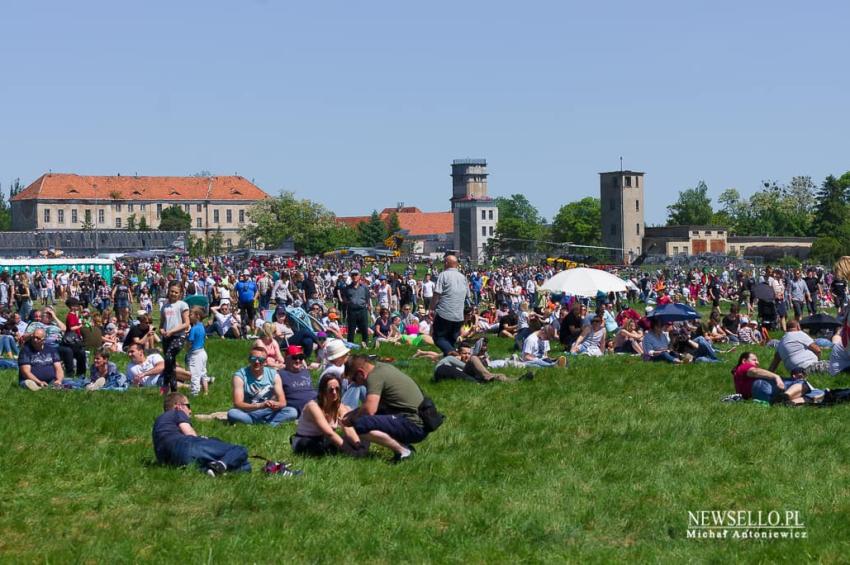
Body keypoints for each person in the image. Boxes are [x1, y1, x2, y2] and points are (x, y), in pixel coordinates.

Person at [341, 355, 429, 462]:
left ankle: (404, 451)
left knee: (360, 424)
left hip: (414, 425)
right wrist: (354, 413)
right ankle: (403, 448)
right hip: (420, 421)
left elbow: (369, 410)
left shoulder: (374, 377)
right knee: (371, 417)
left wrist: (351, 419)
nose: (355, 383)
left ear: (361, 373)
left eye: (354, 379)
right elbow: (378, 407)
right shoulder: (382, 368)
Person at [153, 392, 251, 476]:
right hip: (185, 446)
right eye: (188, 406)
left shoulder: (159, 422)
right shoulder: (177, 412)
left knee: (245, 466)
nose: (190, 411)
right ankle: (221, 465)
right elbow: (190, 434)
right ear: (178, 406)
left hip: (169, 460)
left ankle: (211, 470)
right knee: (239, 450)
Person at [290, 374, 367, 457]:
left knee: (361, 439)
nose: (334, 392)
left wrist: (357, 445)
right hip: (306, 440)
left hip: (323, 440)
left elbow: (348, 428)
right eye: (331, 390)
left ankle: (358, 451)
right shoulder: (313, 407)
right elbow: (329, 433)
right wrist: (350, 451)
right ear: (323, 391)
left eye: (337, 389)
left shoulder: (339, 406)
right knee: (318, 448)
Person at [227, 346, 297, 426]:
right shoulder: (240, 376)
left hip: (268, 411)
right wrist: (260, 405)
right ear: (249, 360)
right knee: (232, 413)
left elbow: (283, 402)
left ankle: (254, 423)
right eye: (253, 359)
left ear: (265, 361)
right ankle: (269, 423)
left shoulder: (274, 374)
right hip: (248, 411)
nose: (257, 362)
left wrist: (275, 404)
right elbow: (238, 403)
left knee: (292, 412)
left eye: (260, 360)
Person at [732, 351, 811, 405]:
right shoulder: (744, 366)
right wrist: (776, 377)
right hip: (761, 386)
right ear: (744, 360)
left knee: (801, 391)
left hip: (757, 396)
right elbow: (754, 372)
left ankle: (784, 401)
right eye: (754, 360)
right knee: (802, 383)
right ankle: (785, 397)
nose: (757, 362)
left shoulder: (737, 375)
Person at [430, 254, 469, 355]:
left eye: (444, 262)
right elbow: (467, 295)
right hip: (459, 316)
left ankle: (454, 353)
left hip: (445, 313)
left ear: (447, 263)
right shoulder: (463, 277)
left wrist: (431, 309)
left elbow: (437, 293)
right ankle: (450, 363)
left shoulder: (443, 275)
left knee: (438, 337)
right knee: (451, 339)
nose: (443, 263)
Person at [432, 341, 521, 383]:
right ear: (458, 353)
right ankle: (489, 378)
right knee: (475, 360)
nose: (467, 355)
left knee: (474, 359)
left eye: (468, 353)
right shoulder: (451, 359)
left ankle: (513, 380)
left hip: (466, 375)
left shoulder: (469, 362)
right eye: (464, 353)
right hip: (446, 373)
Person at [159, 282, 190, 392]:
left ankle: (166, 385)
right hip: (167, 338)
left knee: (169, 357)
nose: (173, 294)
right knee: (170, 363)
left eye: (176, 292)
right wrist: (162, 330)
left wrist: (172, 331)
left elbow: (186, 323)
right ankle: (173, 388)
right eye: (172, 291)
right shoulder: (165, 306)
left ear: (180, 293)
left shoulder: (182, 305)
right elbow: (162, 324)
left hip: (178, 337)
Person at [185, 307, 210, 396]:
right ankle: (206, 392)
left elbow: (190, 342)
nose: (189, 316)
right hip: (202, 352)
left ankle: (194, 393)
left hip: (195, 354)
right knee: (203, 373)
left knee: (194, 374)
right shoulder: (201, 326)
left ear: (197, 316)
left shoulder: (194, 328)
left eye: (190, 314)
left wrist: (187, 349)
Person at [343, 269, 371, 347]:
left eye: (356, 275)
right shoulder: (347, 288)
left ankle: (365, 344)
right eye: (353, 275)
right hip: (352, 311)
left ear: (359, 276)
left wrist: (369, 306)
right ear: (351, 277)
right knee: (351, 329)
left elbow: (367, 298)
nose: (354, 276)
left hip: (362, 310)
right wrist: (349, 303)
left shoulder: (364, 287)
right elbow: (345, 299)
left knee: (364, 328)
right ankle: (350, 345)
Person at [234, 270, 258, 337]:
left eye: (246, 275)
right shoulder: (239, 283)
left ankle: (252, 329)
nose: (245, 276)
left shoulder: (253, 283)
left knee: (251, 316)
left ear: (249, 276)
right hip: (242, 302)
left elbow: (257, 291)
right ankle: (243, 330)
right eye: (244, 275)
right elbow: (234, 290)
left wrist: (255, 298)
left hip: (251, 301)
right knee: (242, 316)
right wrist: (236, 298)